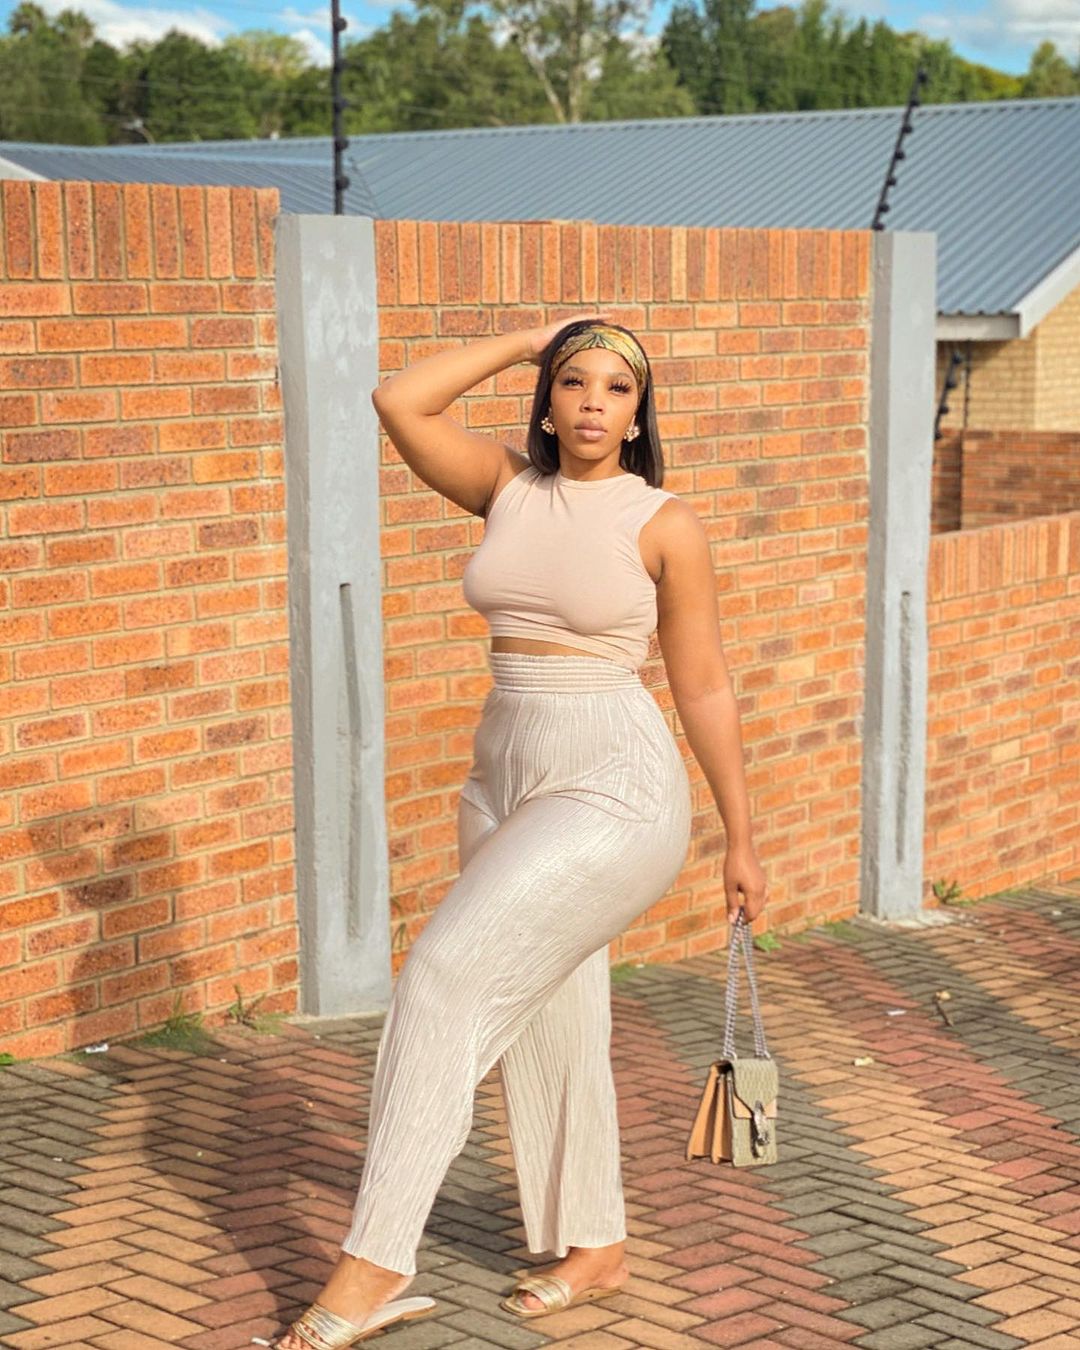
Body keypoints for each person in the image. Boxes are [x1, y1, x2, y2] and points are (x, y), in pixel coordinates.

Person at [271, 317, 768, 1349]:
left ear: (639, 414)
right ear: (546, 402)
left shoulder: (663, 522)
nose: (594, 402)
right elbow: (398, 401)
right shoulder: (506, 485)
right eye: (574, 381)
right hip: (501, 776)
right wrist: (523, 340)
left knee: (442, 979)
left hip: (614, 782)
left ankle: (375, 1262)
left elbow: (706, 684)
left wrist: (741, 837)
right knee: (553, 1020)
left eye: (618, 388)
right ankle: (596, 1244)